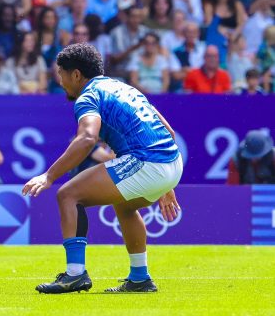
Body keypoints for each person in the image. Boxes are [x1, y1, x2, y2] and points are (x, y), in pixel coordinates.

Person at [23, 43, 182, 294]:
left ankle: (75, 274)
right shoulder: (123, 87)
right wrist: (168, 183)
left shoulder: (88, 97)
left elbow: (87, 138)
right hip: (172, 161)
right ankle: (140, 278)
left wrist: (48, 175)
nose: (60, 81)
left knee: (68, 195)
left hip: (148, 161)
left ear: (76, 74)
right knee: (125, 205)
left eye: (61, 74)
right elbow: (169, 131)